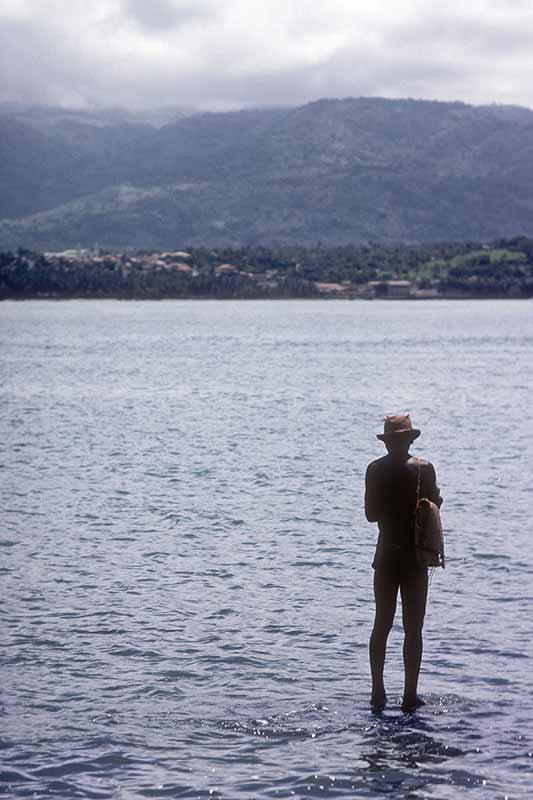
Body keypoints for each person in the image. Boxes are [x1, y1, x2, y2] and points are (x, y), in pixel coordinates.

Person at [365, 414, 442, 713]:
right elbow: (433, 507)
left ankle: (378, 693)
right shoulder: (424, 469)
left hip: (386, 556)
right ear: (410, 439)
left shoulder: (374, 470)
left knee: (381, 624)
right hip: (415, 558)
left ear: (387, 443)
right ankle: (410, 696)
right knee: (414, 628)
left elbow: (371, 515)